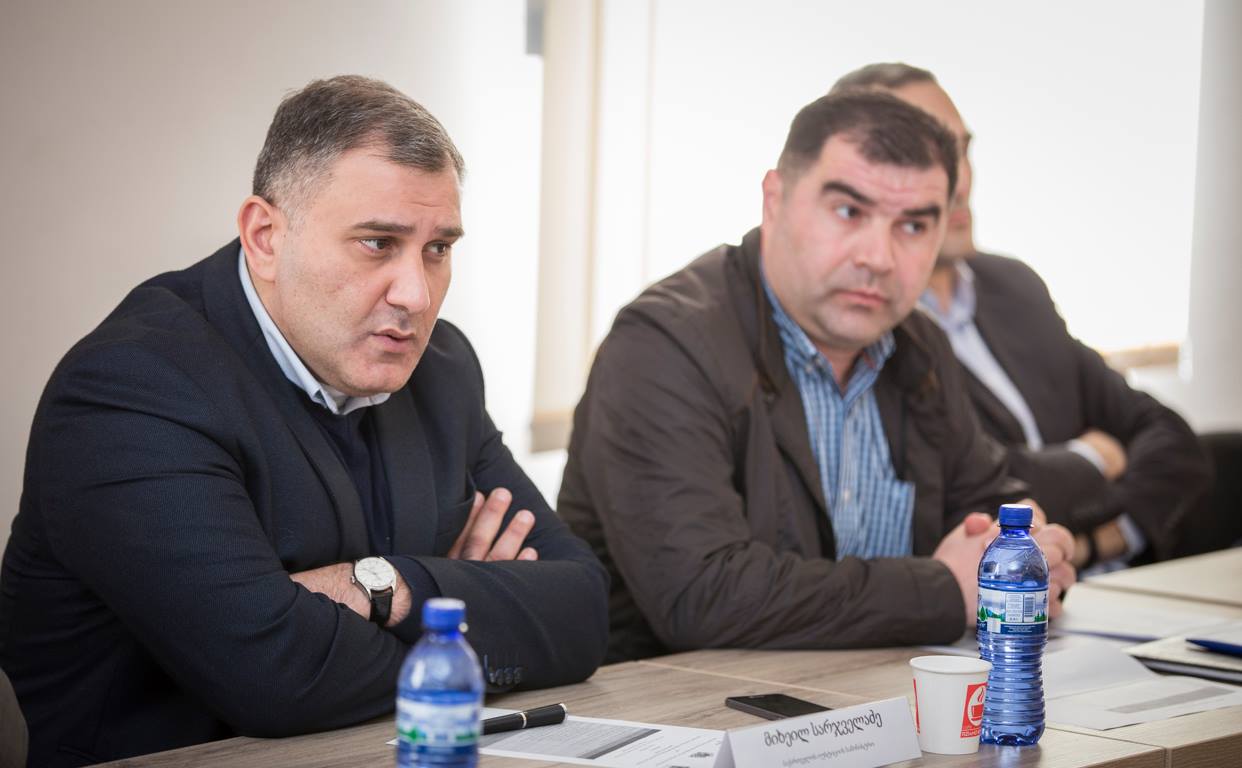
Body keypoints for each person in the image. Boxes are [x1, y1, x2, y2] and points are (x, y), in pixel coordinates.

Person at [0, 75, 608, 766]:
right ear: (265, 237)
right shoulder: (131, 387)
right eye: (377, 242)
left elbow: (584, 612)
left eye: (438, 248)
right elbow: (277, 676)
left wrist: (382, 586)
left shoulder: (440, 367)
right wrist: (472, 608)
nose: (416, 294)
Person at [557, 91, 1076, 663]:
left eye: (912, 225)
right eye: (849, 212)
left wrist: (1028, 546)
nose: (878, 257)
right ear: (774, 200)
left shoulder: (918, 343)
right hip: (682, 704)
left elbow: (987, 503)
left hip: (876, 693)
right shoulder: (664, 344)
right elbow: (701, 593)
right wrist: (946, 589)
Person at [829, 63, 1214, 568]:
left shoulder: (1014, 287)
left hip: (1110, 582)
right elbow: (969, 495)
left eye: (961, 150)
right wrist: (1094, 457)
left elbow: (1165, 433)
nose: (959, 180)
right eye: (923, 155)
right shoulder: (866, 325)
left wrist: (1096, 542)